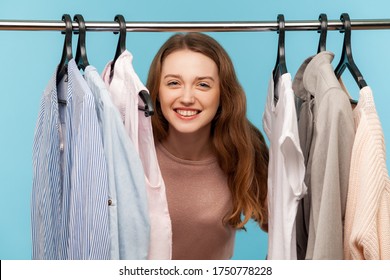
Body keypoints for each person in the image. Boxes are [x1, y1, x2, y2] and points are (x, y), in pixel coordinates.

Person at [146, 32, 269, 260]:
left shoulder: (245, 149)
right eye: (173, 83)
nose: (187, 98)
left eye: (203, 85)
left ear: (223, 93)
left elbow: (289, 231)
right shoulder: (133, 149)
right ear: (157, 91)